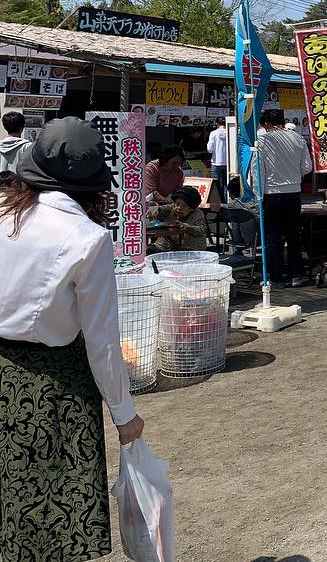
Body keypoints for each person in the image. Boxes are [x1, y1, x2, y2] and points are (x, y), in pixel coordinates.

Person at [0, 117, 145, 559]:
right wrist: (125, 415)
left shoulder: (4, 211)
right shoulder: (88, 238)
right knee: (49, 514)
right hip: (51, 384)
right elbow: (102, 341)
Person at [250, 108, 312, 287]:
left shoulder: (262, 141)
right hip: (293, 193)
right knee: (294, 235)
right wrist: (293, 173)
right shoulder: (298, 138)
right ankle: (297, 274)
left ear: (267, 124)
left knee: (273, 237)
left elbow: (257, 171)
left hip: (272, 194)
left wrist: (257, 196)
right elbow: (307, 167)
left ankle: (275, 276)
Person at [152, 185, 208, 252]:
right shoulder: (171, 208)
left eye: (184, 206)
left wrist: (189, 228)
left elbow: (201, 230)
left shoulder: (198, 214)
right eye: (177, 203)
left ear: (191, 208)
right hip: (166, 246)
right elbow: (159, 210)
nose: (179, 207)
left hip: (190, 249)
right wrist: (153, 208)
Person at [225, 175, 259, 251]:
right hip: (253, 237)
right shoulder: (251, 203)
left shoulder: (231, 205)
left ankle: (237, 251)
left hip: (236, 238)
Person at [207, 116, 229, 199]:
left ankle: (217, 202)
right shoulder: (230, 132)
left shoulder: (213, 133)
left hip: (216, 162)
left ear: (216, 124)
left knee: (215, 185)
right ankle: (226, 202)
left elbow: (210, 149)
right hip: (228, 163)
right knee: (226, 185)